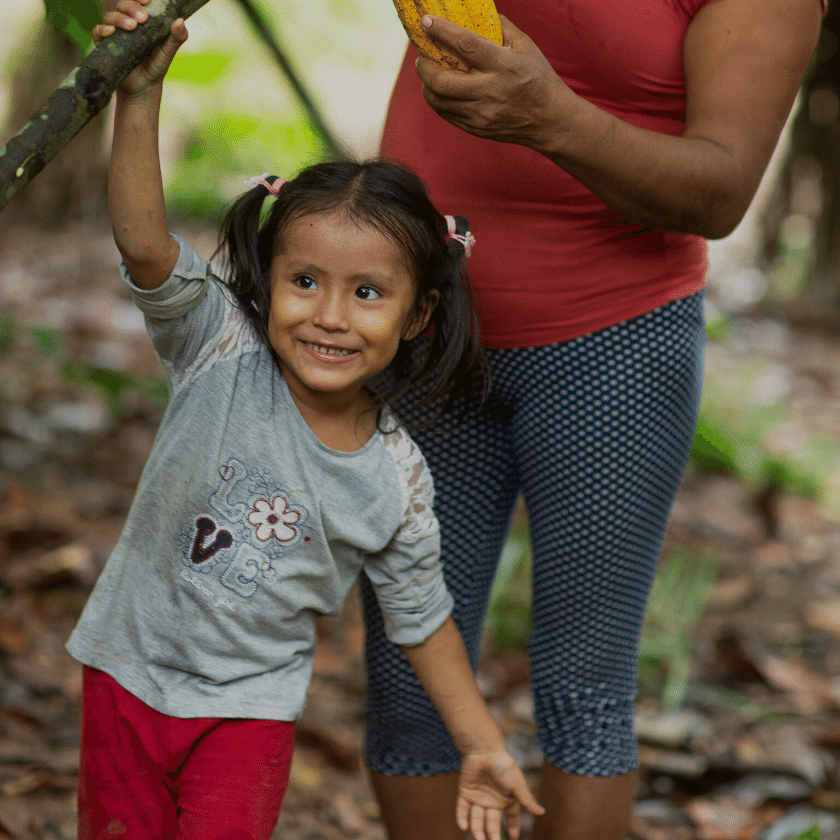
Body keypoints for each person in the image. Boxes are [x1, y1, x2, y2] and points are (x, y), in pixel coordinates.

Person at [66, 7, 546, 840]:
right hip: (126, 675)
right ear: (271, 278)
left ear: (419, 313)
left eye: (367, 293)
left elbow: (424, 618)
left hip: (246, 714)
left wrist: (483, 744)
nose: (329, 316)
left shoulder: (393, 478)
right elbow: (147, 248)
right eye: (305, 282)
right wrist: (137, 99)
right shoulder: (222, 349)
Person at [360, 1, 828, 839]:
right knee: (408, 677)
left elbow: (720, 190)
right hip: (426, 331)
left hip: (611, 346)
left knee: (583, 689)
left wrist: (551, 118)